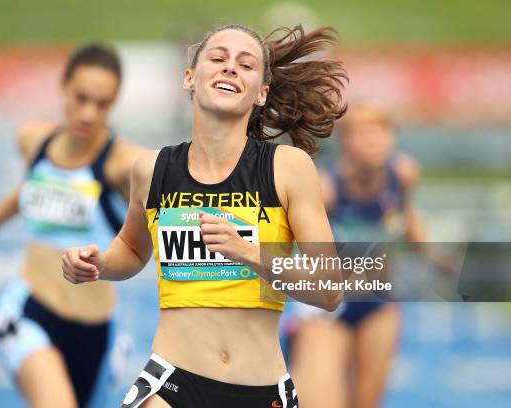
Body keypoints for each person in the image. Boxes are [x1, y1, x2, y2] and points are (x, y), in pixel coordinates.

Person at [62, 24, 347, 407]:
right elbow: (131, 248)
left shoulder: (287, 168)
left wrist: (247, 252)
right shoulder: (151, 170)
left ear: (261, 93)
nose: (230, 68)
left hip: (262, 392)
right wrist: (99, 263)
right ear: (190, 78)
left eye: (245, 65)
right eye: (218, 58)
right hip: (171, 383)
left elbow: (329, 291)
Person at [0, 43, 141, 408]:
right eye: (80, 98)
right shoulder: (32, 140)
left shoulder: (120, 164)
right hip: (30, 311)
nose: (88, 113)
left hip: (96, 331)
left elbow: (173, 180)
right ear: (63, 87)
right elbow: (34, 186)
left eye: (102, 104)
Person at [285, 104, 428, 408]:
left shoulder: (403, 174)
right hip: (327, 307)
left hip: (378, 303)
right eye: (364, 133)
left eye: (382, 132)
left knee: (366, 402)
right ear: (347, 142)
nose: (375, 140)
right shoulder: (326, 188)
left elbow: (408, 214)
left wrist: (432, 253)